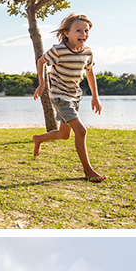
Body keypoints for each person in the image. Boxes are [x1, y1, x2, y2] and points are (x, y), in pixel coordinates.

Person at [31, 13, 106, 182]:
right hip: (59, 96)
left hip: (75, 96)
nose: (83, 34)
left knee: (64, 134)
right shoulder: (58, 50)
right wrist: (42, 83)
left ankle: (38, 139)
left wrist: (95, 97)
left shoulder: (88, 52)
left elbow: (90, 72)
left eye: (86, 31)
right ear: (67, 33)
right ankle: (88, 170)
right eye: (78, 30)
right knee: (81, 130)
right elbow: (41, 61)